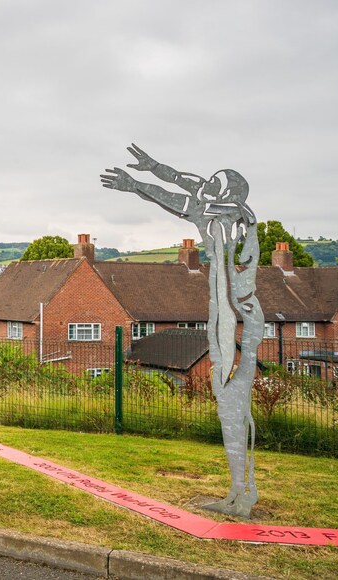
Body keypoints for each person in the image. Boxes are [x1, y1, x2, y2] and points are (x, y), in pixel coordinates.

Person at [102, 144, 261, 516]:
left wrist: (139, 185)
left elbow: (182, 195)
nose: (203, 186)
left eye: (213, 185)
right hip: (224, 315)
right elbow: (185, 184)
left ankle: (243, 491)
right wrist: (153, 169)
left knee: (233, 404)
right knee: (228, 406)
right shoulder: (217, 209)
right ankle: (240, 490)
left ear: (226, 194)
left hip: (239, 317)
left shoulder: (233, 216)